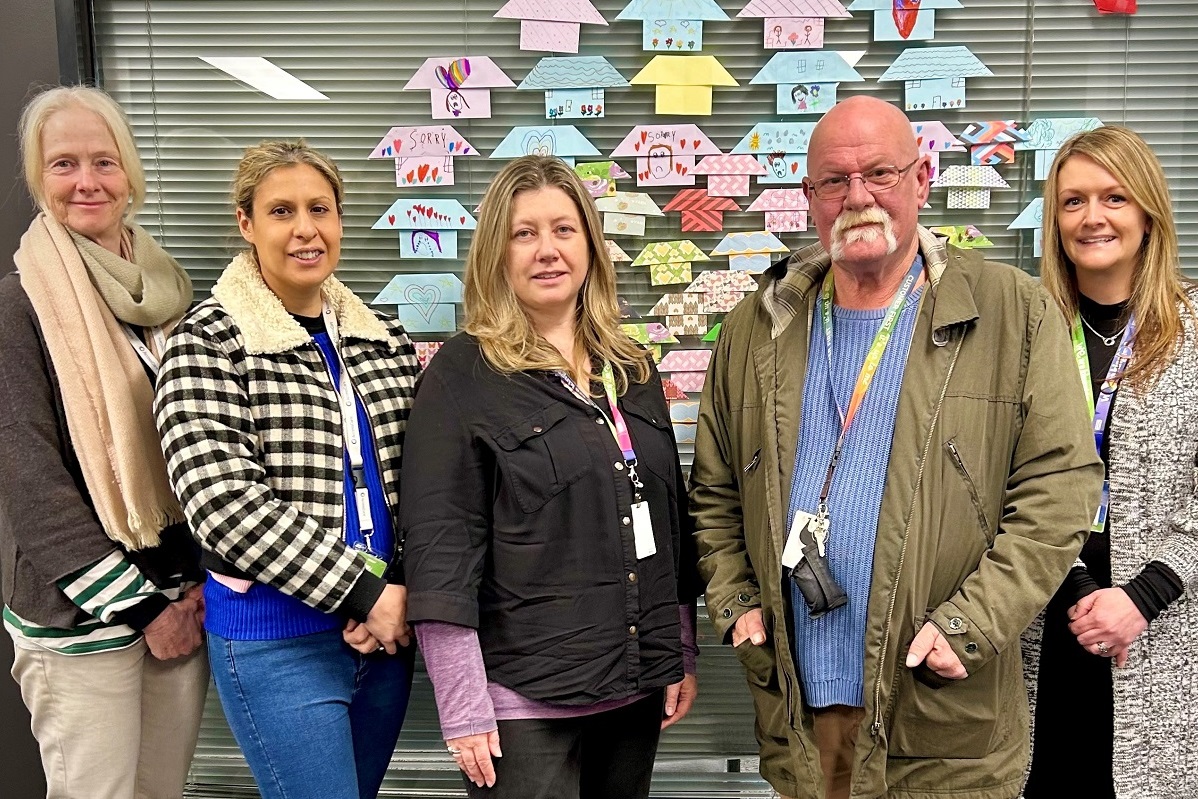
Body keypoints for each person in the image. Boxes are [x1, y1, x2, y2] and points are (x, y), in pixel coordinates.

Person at [688, 95, 1104, 799]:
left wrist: (970, 623)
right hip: (798, 709)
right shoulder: (754, 328)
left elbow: (1060, 492)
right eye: (834, 181)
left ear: (922, 177)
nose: (858, 197)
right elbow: (714, 487)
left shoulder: (1012, 311)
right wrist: (735, 602)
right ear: (808, 198)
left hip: (940, 708)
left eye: (880, 172)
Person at [400, 154, 700, 799]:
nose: (547, 250)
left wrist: (676, 649)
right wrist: (462, 704)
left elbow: (667, 520)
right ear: (496, 253)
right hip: (524, 700)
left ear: (590, 244)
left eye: (564, 230)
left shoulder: (634, 369)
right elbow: (440, 548)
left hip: (634, 681)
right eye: (523, 233)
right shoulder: (462, 375)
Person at [153, 140, 419, 799]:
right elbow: (223, 504)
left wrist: (399, 590)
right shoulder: (208, 341)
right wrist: (364, 591)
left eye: (320, 209)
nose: (306, 229)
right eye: (281, 210)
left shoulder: (383, 338)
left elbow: (421, 480)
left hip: (383, 641)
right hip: (279, 645)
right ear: (246, 223)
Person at [0, 85, 207, 799]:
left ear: (131, 175)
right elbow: (30, 479)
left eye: (103, 161)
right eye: (63, 165)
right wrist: (143, 609)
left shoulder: (169, 292)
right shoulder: (21, 303)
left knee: (161, 791)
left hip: (181, 594)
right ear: (38, 179)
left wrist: (197, 585)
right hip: (85, 614)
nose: (86, 181)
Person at [1023, 126, 1198, 799]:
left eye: (1114, 197)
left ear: (1147, 212)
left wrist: (1141, 596)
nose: (1093, 217)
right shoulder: (1027, 333)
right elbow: (1006, 476)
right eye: (1073, 201)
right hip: (1048, 628)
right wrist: (1078, 592)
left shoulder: (1192, 331)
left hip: (1164, 638)